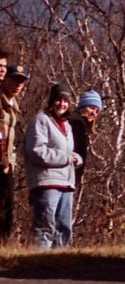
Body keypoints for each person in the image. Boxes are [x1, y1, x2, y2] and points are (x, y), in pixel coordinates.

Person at [24, 82, 82, 249]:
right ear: (51, 101)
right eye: (58, 100)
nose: (62, 104)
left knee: (64, 227)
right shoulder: (41, 120)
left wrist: (76, 158)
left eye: (65, 101)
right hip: (46, 182)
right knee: (45, 226)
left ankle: (60, 263)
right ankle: (40, 262)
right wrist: (65, 158)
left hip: (66, 182)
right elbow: (36, 151)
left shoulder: (67, 125)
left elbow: (69, 151)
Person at [0, 62, 28, 243]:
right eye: (14, 80)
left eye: (21, 81)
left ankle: (3, 245)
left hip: (7, 161)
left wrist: (11, 159)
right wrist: (3, 159)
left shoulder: (13, 105)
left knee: (7, 207)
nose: (18, 85)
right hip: (1, 161)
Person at [67, 90, 102, 190]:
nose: (93, 113)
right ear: (82, 107)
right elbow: (77, 150)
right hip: (67, 177)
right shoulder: (77, 122)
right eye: (91, 108)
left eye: (97, 111)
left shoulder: (75, 121)